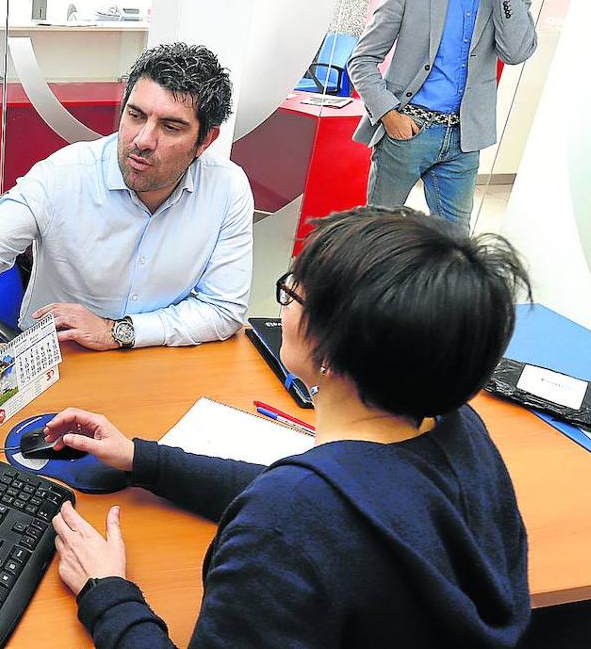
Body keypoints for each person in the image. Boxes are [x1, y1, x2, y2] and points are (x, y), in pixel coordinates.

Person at [45, 206, 533, 647]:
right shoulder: (458, 428)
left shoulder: (287, 521)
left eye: (291, 292)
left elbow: (300, 513)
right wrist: (143, 459)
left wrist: (106, 592)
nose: (283, 305)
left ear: (329, 342)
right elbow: (324, 500)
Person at [0, 43, 253, 350]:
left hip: (159, 357)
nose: (143, 140)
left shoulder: (227, 189)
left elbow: (224, 310)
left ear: (205, 140)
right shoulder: (65, 175)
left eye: (170, 126)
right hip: (59, 357)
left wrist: (119, 332)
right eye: (135, 115)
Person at [348, 0, 538, 230]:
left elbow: (516, 53)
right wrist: (390, 115)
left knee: (456, 246)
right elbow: (361, 60)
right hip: (407, 130)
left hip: (463, 141)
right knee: (374, 236)